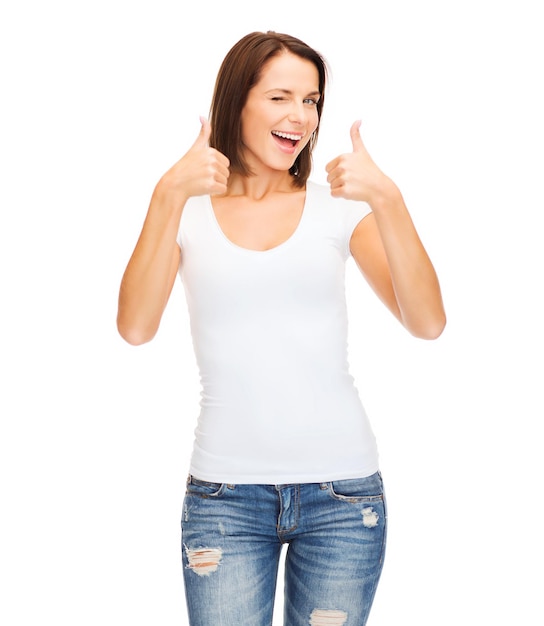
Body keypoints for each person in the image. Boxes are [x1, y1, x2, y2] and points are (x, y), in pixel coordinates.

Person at [117, 30, 446, 626]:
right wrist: (166, 193)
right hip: (224, 501)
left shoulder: (340, 210)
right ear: (237, 101)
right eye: (281, 97)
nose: (301, 116)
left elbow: (427, 323)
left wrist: (390, 201)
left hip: (343, 498)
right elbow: (136, 327)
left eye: (313, 100)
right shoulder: (186, 213)